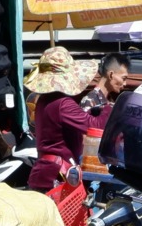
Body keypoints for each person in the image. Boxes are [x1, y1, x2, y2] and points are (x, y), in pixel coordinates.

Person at [22, 46, 94, 194]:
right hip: (57, 175)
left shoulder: (43, 100)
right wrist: (110, 110)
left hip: (43, 172)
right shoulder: (62, 104)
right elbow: (93, 126)